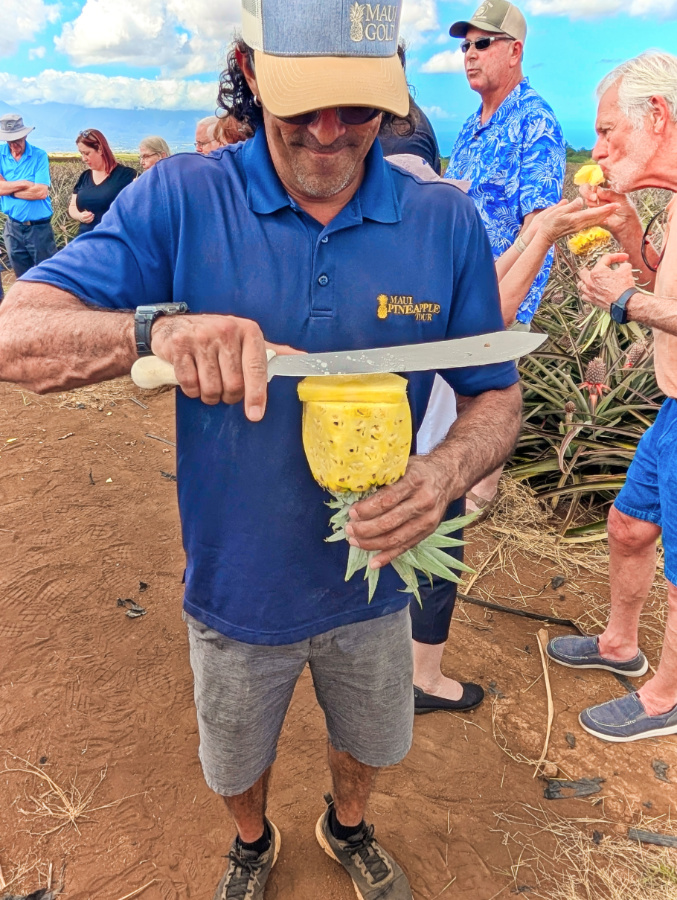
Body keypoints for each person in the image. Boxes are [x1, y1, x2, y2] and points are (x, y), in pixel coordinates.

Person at [0, 2, 522, 897]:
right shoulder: (181, 196)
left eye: (356, 107)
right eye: (301, 103)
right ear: (248, 67)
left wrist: (442, 473)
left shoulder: (443, 221)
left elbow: (495, 392)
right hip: (234, 577)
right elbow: (16, 336)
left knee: (369, 738)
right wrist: (155, 331)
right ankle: (251, 842)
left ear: (392, 83)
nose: (328, 133)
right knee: (235, 749)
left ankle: (347, 824)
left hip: (376, 573)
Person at [389, 154, 617, 713]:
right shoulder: (415, 261)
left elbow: (479, 294)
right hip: (427, 438)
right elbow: (486, 327)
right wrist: (539, 238)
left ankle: (402, 665)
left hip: (406, 430)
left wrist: (531, 234)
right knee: (434, 547)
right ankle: (423, 679)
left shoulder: (400, 255)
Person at [546, 50, 677, 743]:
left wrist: (626, 301)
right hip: (670, 404)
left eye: (605, 133)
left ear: (655, 116)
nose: (595, 150)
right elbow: (667, 281)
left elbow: (652, 301)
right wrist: (629, 235)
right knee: (628, 525)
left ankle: (664, 699)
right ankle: (619, 646)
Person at [445, 0, 566, 327]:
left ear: (515, 52)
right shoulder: (471, 125)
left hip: (497, 309)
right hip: (455, 302)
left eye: (482, 43)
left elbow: (539, 225)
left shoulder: (536, 121)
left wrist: (498, 300)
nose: (470, 54)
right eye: (465, 45)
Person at [0, 113, 57, 302]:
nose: (14, 145)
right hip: (13, 227)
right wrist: (24, 183)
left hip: (39, 228)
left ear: (25, 135)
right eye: (10, 141)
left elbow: (40, 192)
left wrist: (9, 188)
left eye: (17, 139)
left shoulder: (38, 155)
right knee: (22, 278)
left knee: (47, 277)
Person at [68, 129, 136, 235]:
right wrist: (80, 216)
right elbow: (72, 206)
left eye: (87, 153)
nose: (83, 159)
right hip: (84, 241)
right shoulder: (84, 176)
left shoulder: (127, 176)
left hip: (113, 241)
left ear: (99, 149)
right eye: (81, 154)